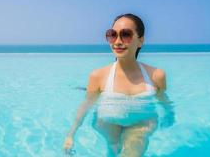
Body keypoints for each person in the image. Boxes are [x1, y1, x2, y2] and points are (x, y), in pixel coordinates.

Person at [63, 13, 168, 157]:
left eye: (126, 34)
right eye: (112, 35)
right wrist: (71, 135)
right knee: (112, 151)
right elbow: (86, 105)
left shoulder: (156, 75)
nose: (117, 41)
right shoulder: (98, 76)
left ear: (140, 41)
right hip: (108, 122)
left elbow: (163, 99)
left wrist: (169, 114)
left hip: (141, 124)